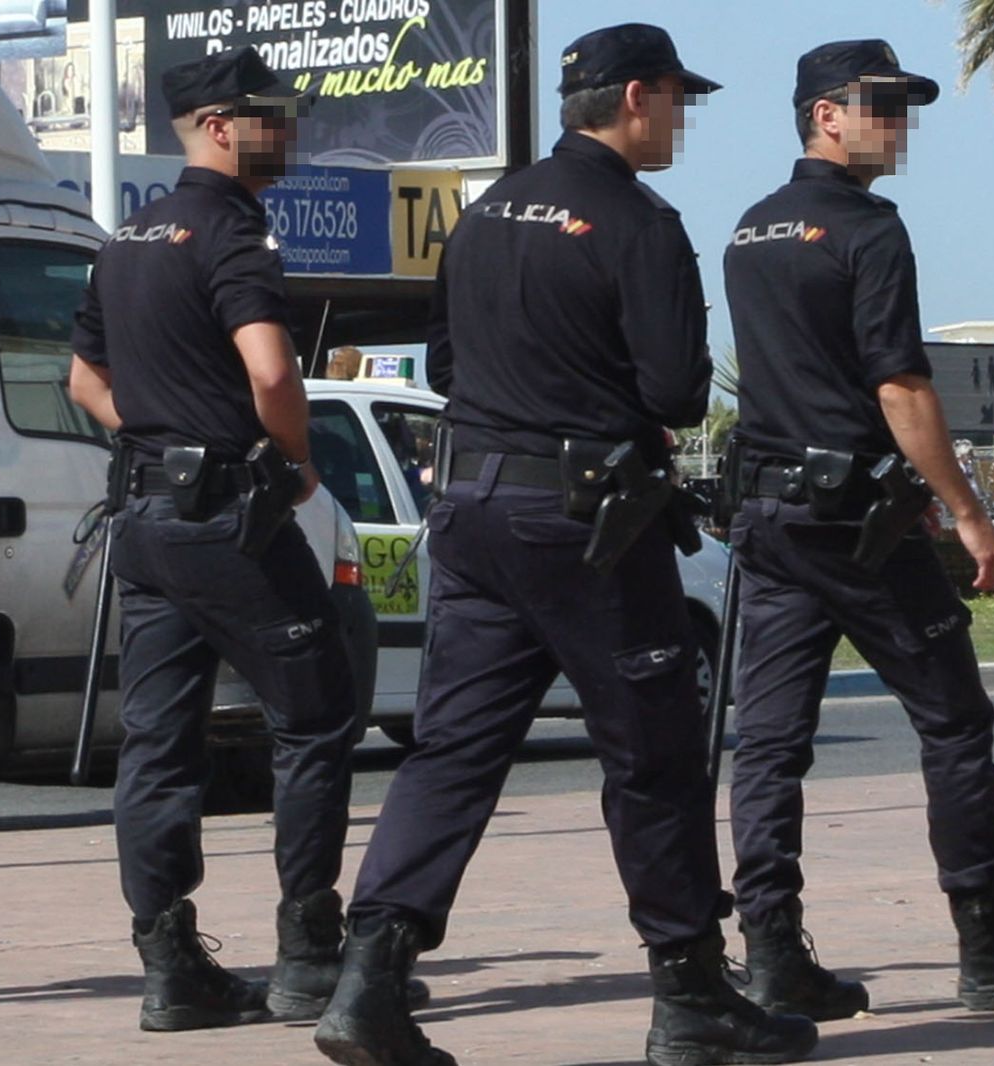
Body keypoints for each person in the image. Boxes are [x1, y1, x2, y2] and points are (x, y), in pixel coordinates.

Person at [314, 25, 817, 1066]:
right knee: (653, 755)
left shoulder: (487, 210)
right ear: (635, 95)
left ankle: (367, 980)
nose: (680, 118)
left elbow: (447, 362)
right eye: (677, 98)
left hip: (470, 513)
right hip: (587, 522)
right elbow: (679, 391)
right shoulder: (638, 220)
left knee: (452, 751)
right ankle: (690, 998)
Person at [720, 39, 994, 1022]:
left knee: (767, 745)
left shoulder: (749, 228)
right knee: (953, 718)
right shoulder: (868, 228)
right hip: (857, 522)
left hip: (767, 518)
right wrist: (974, 517)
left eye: (903, 106)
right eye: (880, 105)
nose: (898, 124)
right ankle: (990, 945)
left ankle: (770, 954)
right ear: (824, 115)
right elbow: (899, 386)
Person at [68, 46, 387, 1033]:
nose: (286, 130)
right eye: (270, 115)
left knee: (158, 742)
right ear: (217, 126)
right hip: (225, 522)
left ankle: (170, 967)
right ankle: (307, 954)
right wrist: (291, 460)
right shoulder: (231, 232)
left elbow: (82, 382)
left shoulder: (124, 239)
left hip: (146, 523)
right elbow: (273, 371)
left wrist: (159, 439)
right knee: (318, 713)